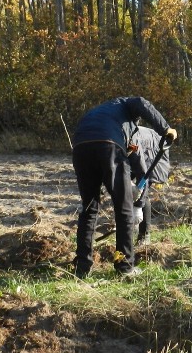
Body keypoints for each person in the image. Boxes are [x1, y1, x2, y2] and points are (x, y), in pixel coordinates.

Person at [71, 97, 176, 278]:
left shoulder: (102, 111)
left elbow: (138, 165)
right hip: (108, 145)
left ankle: (82, 267)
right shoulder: (127, 105)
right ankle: (125, 267)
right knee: (123, 208)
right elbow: (142, 103)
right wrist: (166, 128)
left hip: (80, 147)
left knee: (89, 208)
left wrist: (139, 199)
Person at [128, 125, 171, 245]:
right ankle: (129, 231)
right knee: (126, 190)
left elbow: (143, 177)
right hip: (136, 150)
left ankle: (144, 235)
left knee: (141, 193)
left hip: (153, 150)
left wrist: (137, 206)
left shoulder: (130, 142)